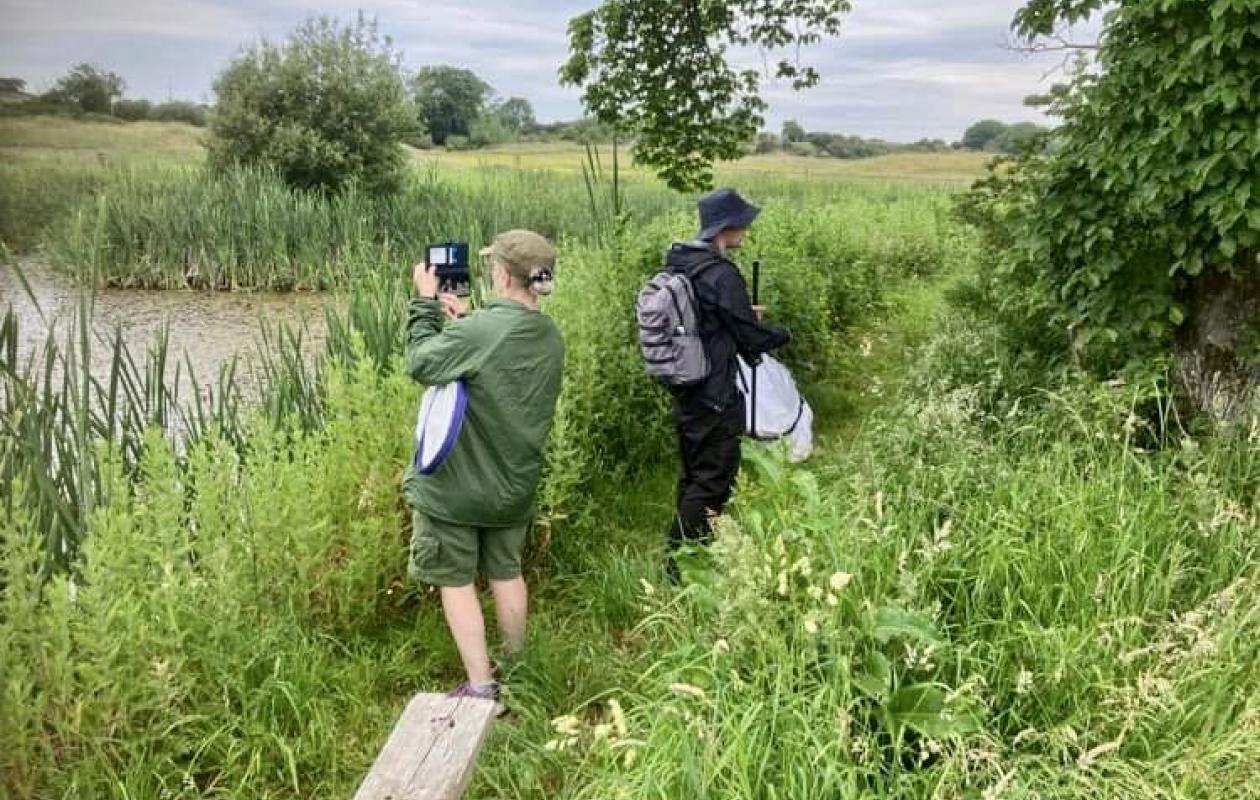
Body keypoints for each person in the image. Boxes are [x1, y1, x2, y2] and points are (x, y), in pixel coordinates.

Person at [404, 229, 565, 702]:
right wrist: (465, 320)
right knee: (506, 572)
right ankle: (519, 672)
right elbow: (499, 350)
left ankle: (481, 687)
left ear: (502, 274)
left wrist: (424, 305)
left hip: (457, 489)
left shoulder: (481, 331)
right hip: (514, 485)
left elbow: (421, 363)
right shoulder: (549, 336)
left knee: (455, 579)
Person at [664, 188, 790, 579]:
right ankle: (678, 564)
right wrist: (780, 333)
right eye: (742, 223)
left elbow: (705, 319)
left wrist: (738, 316)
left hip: (686, 387)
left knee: (693, 471)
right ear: (727, 227)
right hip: (716, 392)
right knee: (714, 476)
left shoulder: (680, 263)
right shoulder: (721, 273)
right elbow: (749, 339)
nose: (746, 230)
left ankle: (693, 552)